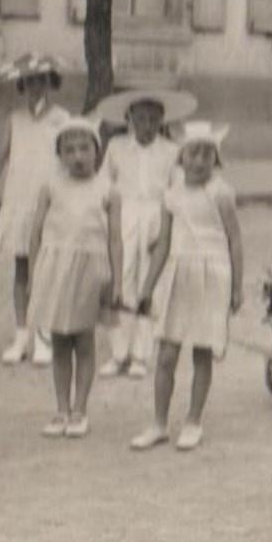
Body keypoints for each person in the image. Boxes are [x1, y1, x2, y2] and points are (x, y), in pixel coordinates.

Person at [132, 122, 244, 452]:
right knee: (166, 354)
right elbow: (163, 244)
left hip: (213, 274)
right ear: (181, 157)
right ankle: (158, 423)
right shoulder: (172, 195)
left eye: (207, 154)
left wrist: (237, 287)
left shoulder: (222, 193)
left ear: (216, 159)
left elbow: (235, 240)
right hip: (178, 275)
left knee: (202, 353)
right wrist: (147, 288)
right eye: (193, 153)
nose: (199, 161)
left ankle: (193, 420)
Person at [26, 116, 123, 439]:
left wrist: (117, 281)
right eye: (69, 150)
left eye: (84, 148)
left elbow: (115, 240)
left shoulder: (108, 189)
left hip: (90, 271)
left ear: (97, 151)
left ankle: (80, 409)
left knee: (83, 341)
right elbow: (36, 231)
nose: (78, 156)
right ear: (60, 155)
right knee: (59, 342)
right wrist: (33, 274)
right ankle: (61, 409)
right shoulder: (50, 186)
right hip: (56, 269)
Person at [96, 87, 195, 378]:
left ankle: (141, 353)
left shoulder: (171, 150)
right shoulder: (116, 147)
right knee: (121, 278)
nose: (146, 126)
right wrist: (107, 215)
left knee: (149, 282)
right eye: (140, 119)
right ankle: (118, 353)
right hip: (125, 215)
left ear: (161, 121)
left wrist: (167, 227)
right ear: (129, 119)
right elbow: (104, 183)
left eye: (153, 119)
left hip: (156, 214)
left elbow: (177, 190)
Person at [0, 53, 72, 368]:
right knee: (22, 268)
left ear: (50, 83)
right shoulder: (15, 119)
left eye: (41, 80)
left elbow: (69, 161)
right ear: (22, 84)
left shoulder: (62, 119)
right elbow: (0, 158)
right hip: (19, 200)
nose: (35, 86)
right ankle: (22, 333)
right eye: (29, 81)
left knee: (46, 268)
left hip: (48, 204)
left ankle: (44, 334)